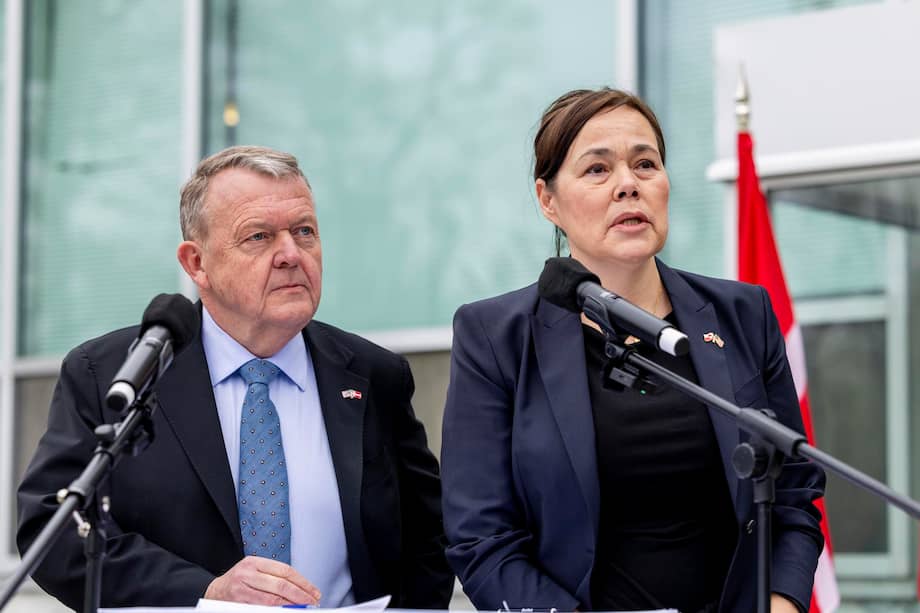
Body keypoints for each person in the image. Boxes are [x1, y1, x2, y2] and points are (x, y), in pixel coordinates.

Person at [17, 145, 454, 610]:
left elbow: (428, 539)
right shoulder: (111, 374)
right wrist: (204, 593)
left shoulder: (373, 375)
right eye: (259, 237)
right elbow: (54, 532)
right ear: (196, 263)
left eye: (304, 231)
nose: (290, 254)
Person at [440, 88, 825, 613]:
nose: (628, 185)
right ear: (548, 200)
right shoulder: (496, 336)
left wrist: (781, 602)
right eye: (597, 170)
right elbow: (482, 538)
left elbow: (796, 491)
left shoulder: (743, 314)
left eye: (645, 164)